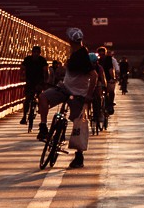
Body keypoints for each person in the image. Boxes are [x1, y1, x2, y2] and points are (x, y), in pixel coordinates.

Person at [37, 29, 99, 169]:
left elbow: (94, 75)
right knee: (43, 97)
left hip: (77, 94)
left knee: (79, 123)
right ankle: (43, 128)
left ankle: (79, 155)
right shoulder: (76, 53)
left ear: (70, 41)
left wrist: (88, 94)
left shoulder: (82, 56)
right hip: (65, 88)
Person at [20, 44, 49, 126]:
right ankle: (24, 116)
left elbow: (46, 71)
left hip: (39, 81)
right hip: (29, 81)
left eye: (37, 52)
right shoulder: (27, 59)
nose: (36, 54)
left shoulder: (42, 60)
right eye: (34, 52)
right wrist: (21, 76)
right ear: (32, 52)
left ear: (40, 53)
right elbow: (22, 68)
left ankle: (40, 109)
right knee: (28, 98)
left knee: (40, 97)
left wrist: (46, 80)